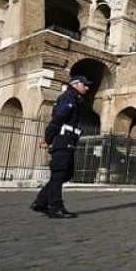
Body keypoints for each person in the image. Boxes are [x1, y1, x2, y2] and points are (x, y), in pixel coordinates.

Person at [31, 74, 91, 219]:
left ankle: (41, 201)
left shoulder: (75, 99)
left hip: (68, 141)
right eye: (85, 84)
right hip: (63, 140)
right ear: (75, 84)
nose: (87, 88)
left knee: (67, 173)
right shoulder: (68, 98)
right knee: (59, 173)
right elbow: (58, 118)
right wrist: (48, 139)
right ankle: (56, 207)